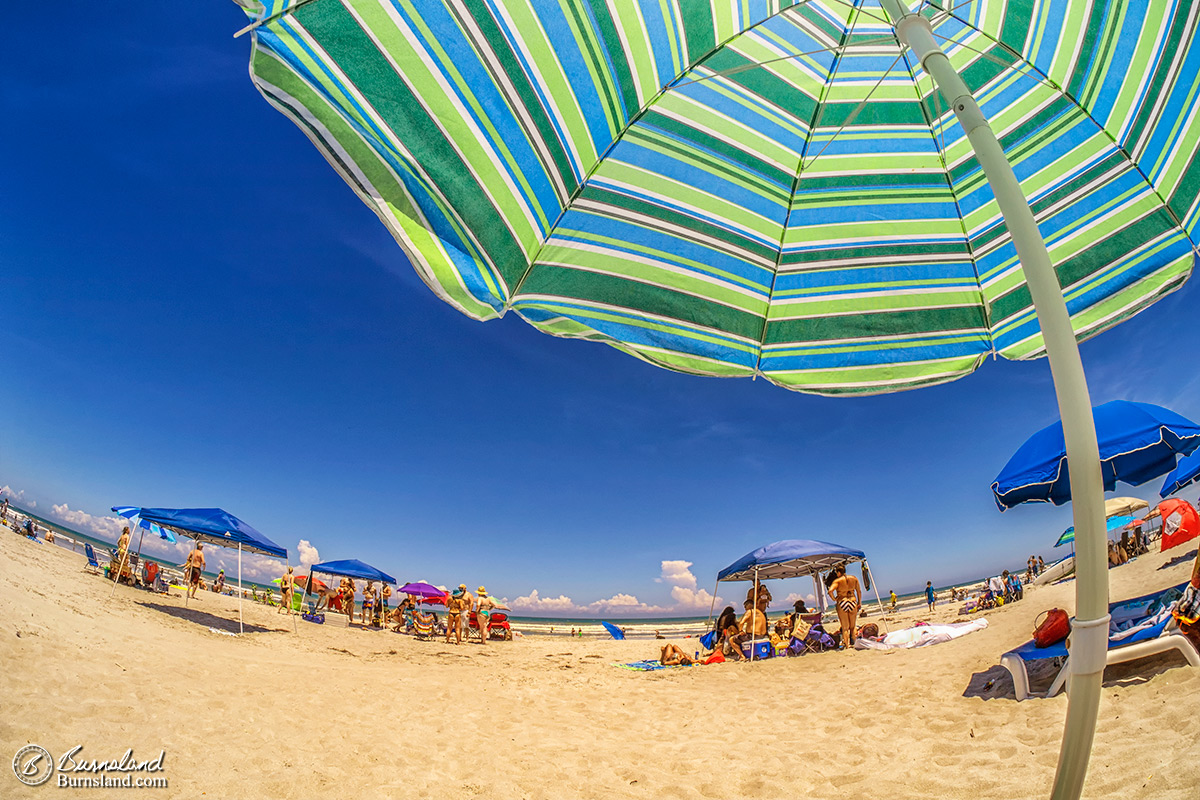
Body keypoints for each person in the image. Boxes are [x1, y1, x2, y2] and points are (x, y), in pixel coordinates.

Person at [830, 564, 861, 649]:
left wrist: (834, 599)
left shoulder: (837, 581)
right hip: (852, 601)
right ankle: (855, 643)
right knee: (853, 626)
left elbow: (830, 591)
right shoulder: (854, 578)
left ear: (839, 572)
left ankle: (847, 646)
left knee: (845, 628)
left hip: (842, 602)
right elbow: (859, 591)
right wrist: (859, 602)